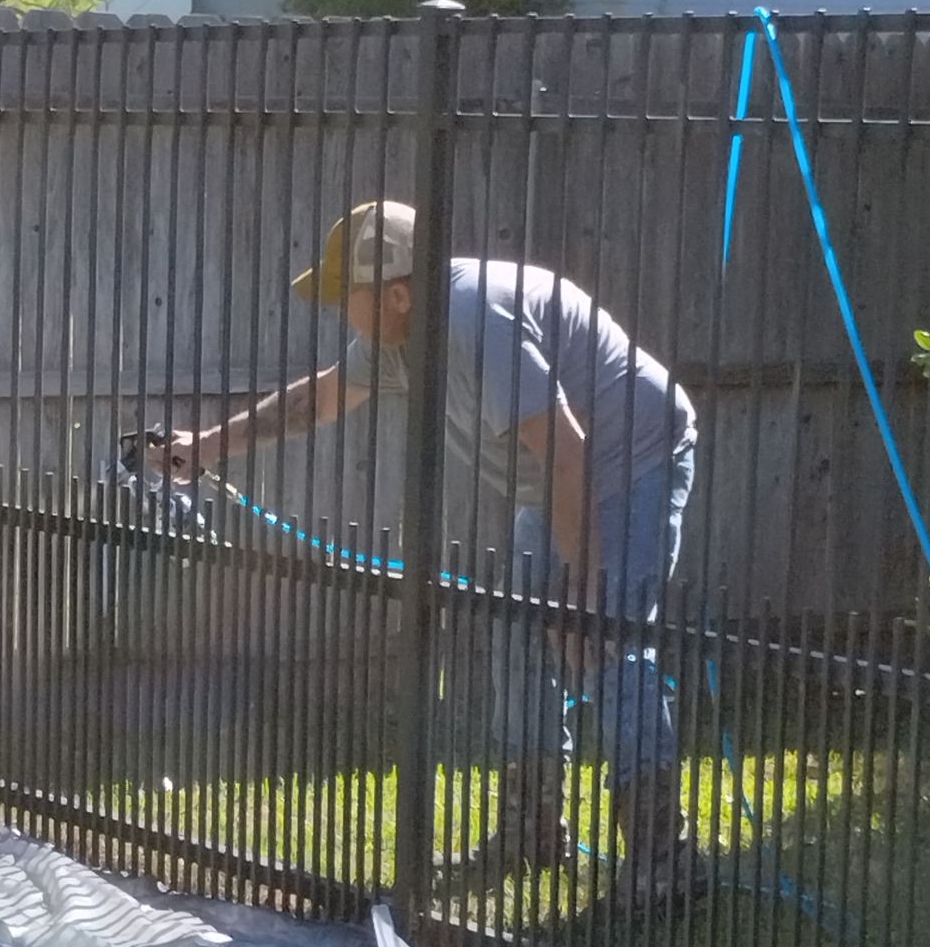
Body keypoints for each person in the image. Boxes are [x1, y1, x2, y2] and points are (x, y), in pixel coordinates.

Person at [169, 199, 709, 909]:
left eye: (346, 296)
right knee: (522, 633)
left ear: (396, 292)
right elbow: (320, 400)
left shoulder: (474, 321)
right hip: (559, 478)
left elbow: (571, 454)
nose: (340, 312)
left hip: (629, 456)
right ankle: (531, 827)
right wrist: (203, 448)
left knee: (601, 638)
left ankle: (666, 859)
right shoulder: (401, 336)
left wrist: (582, 584)